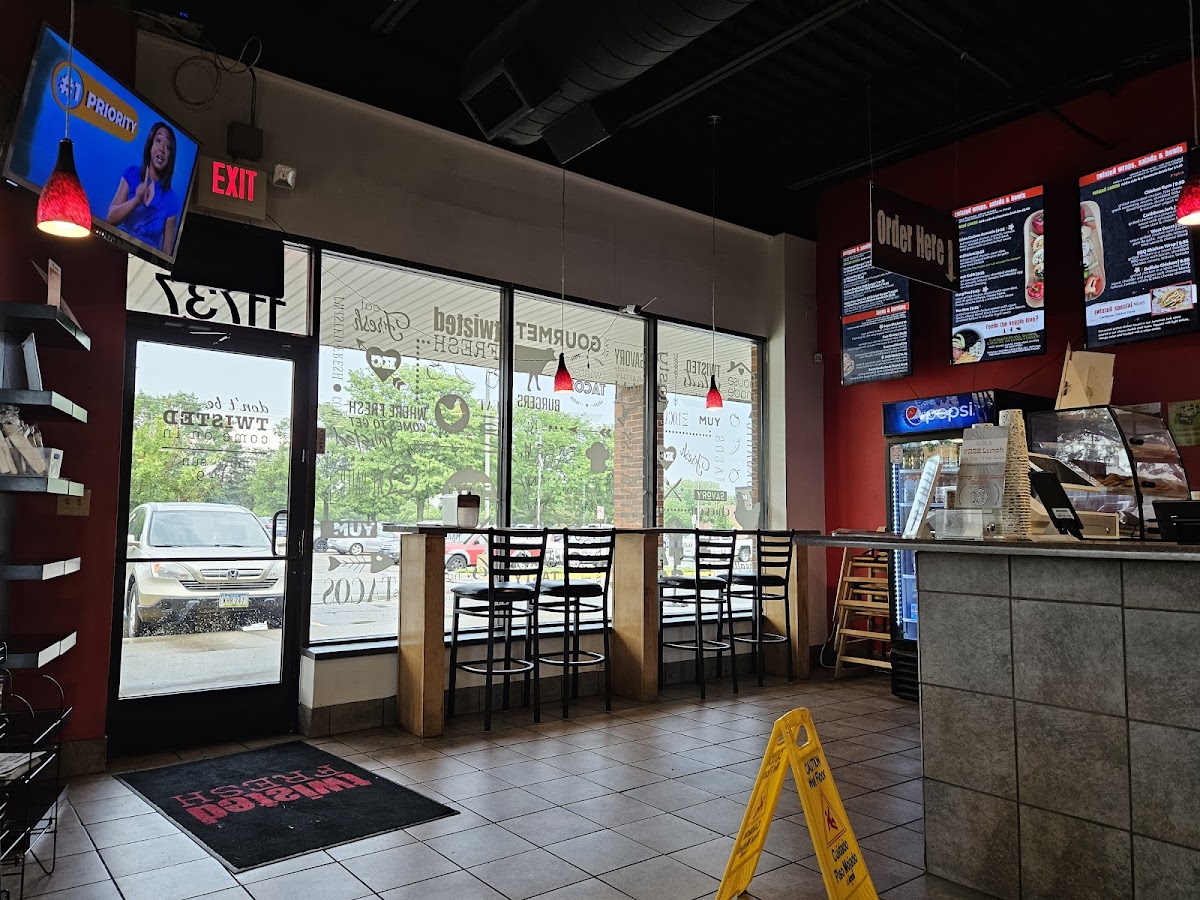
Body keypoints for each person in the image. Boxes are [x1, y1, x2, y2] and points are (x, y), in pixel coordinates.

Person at [107, 122, 180, 253]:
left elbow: (167, 256)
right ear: (150, 146)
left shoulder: (171, 200)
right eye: (158, 141)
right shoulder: (131, 174)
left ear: (170, 157)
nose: (162, 149)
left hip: (145, 264)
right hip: (117, 252)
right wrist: (136, 200)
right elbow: (110, 218)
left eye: (168, 147)